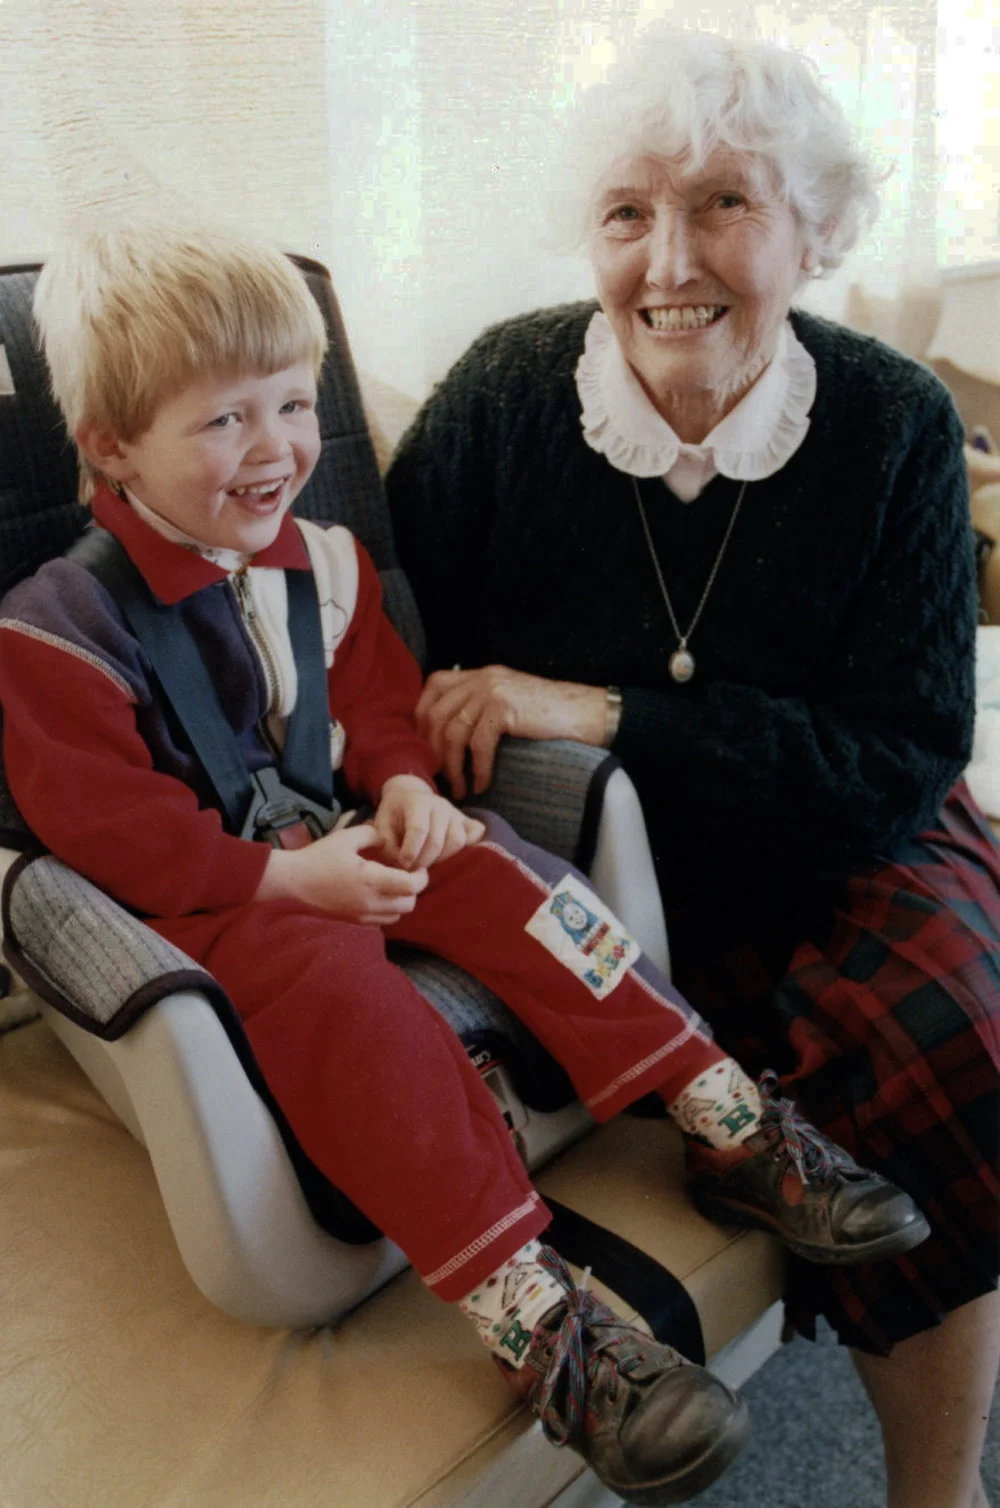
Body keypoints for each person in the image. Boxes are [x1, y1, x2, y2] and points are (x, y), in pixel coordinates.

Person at [0, 222, 932, 1507]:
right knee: (337, 991)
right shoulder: (56, 631)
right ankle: (534, 1315)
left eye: (291, 404)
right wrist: (284, 883)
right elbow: (106, 832)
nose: (276, 449)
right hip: (217, 901)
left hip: (343, 835)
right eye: (224, 422)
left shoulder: (322, 563)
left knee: (510, 872)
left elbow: (378, 703)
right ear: (110, 445)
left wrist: (400, 788)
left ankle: (723, 1113)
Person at [385, 30, 1000, 1508]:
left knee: (953, 1040)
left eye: (725, 204)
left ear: (812, 227)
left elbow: (902, 757)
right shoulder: (507, 397)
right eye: (627, 213)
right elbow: (390, 659)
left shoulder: (895, 426)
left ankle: (937, 1488)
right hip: (581, 853)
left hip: (848, 833)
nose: (670, 259)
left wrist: (607, 714)